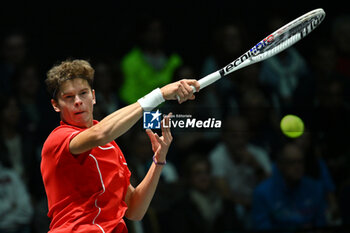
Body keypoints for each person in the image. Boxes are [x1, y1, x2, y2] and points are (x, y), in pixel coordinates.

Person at [40, 59, 200, 233]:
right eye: (68, 97)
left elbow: (134, 209)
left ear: (93, 97)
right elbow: (100, 133)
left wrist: (158, 161)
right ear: (56, 105)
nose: (78, 101)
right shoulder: (58, 139)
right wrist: (158, 95)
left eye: (83, 93)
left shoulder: (110, 147)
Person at [251, 142, 327, 232]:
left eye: (300, 162)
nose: (297, 167)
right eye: (292, 162)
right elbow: (262, 227)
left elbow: (321, 224)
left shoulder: (316, 188)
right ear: (280, 165)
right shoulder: (262, 193)